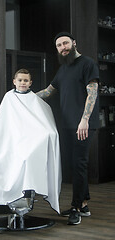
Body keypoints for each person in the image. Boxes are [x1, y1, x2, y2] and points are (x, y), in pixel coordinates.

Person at [37, 32, 99, 225]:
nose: (63, 47)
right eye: (59, 45)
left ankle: (75, 207)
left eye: (65, 43)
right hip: (66, 125)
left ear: (74, 43)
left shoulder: (87, 64)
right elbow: (49, 91)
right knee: (74, 165)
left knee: (79, 164)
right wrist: (24, 96)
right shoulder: (63, 69)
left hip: (82, 125)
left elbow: (93, 92)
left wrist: (85, 119)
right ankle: (84, 205)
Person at [0, 68, 62, 213]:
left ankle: (26, 197)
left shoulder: (34, 99)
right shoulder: (9, 98)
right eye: (20, 80)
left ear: (30, 83)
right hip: (12, 140)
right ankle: (12, 199)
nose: (22, 83)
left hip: (31, 141)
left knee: (26, 158)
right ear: (14, 82)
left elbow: (44, 123)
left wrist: (48, 134)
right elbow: (3, 123)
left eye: (25, 80)